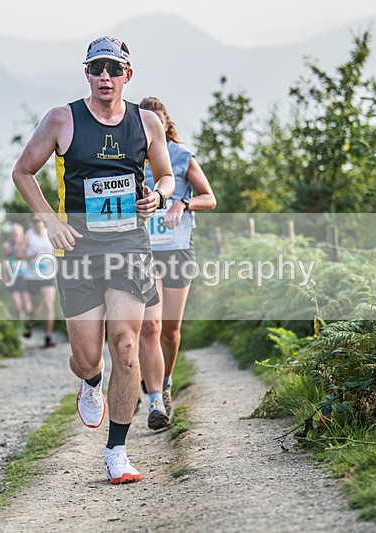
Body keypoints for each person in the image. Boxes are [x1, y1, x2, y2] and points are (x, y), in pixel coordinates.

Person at [12, 36, 174, 484]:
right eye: (97, 67)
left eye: (114, 68)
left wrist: (159, 197)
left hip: (129, 245)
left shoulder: (147, 123)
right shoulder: (62, 119)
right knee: (86, 357)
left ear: (128, 74)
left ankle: (117, 450)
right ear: (86, 72)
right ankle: (90, 381)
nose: (105, 76)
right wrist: (50, 222)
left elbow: (165, 175)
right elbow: (22, 171)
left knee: (126, 344)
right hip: (79, 248)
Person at [137, 96, 216, 430]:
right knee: (150, 326)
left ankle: (166, 381)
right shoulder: (129, 158)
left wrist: (182, 203)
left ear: (166, 124)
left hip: (178, 249)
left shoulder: (182, 156)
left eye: (158, 120)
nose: (153, 126)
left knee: (170, 331)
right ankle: (155, 401)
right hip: (142, 251)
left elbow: (209, 198)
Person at [21, 215, 58, 348]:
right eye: (35, 221)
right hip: (32, 277)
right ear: (31, 223)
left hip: (48, 276)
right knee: (33, 307)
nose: (37, 223)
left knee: (48, 305)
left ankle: (48, 337)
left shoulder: (51, 234)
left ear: (44, 222)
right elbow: (19, 254)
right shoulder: (28, 235)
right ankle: (29, 323)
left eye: (39, 220)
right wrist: (31, 256)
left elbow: (57, 253)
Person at [2, 222, 33, 335]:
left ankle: (29, 325)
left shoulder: (27, 244)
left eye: (17, 233)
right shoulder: (7, 245)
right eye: (13, 233)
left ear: (22, 233)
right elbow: (4, 261)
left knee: (27, 304)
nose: (15, 235)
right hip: (13, 277)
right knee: (17, 304)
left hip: (25, 276)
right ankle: (20, 324)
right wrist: (4, 276)